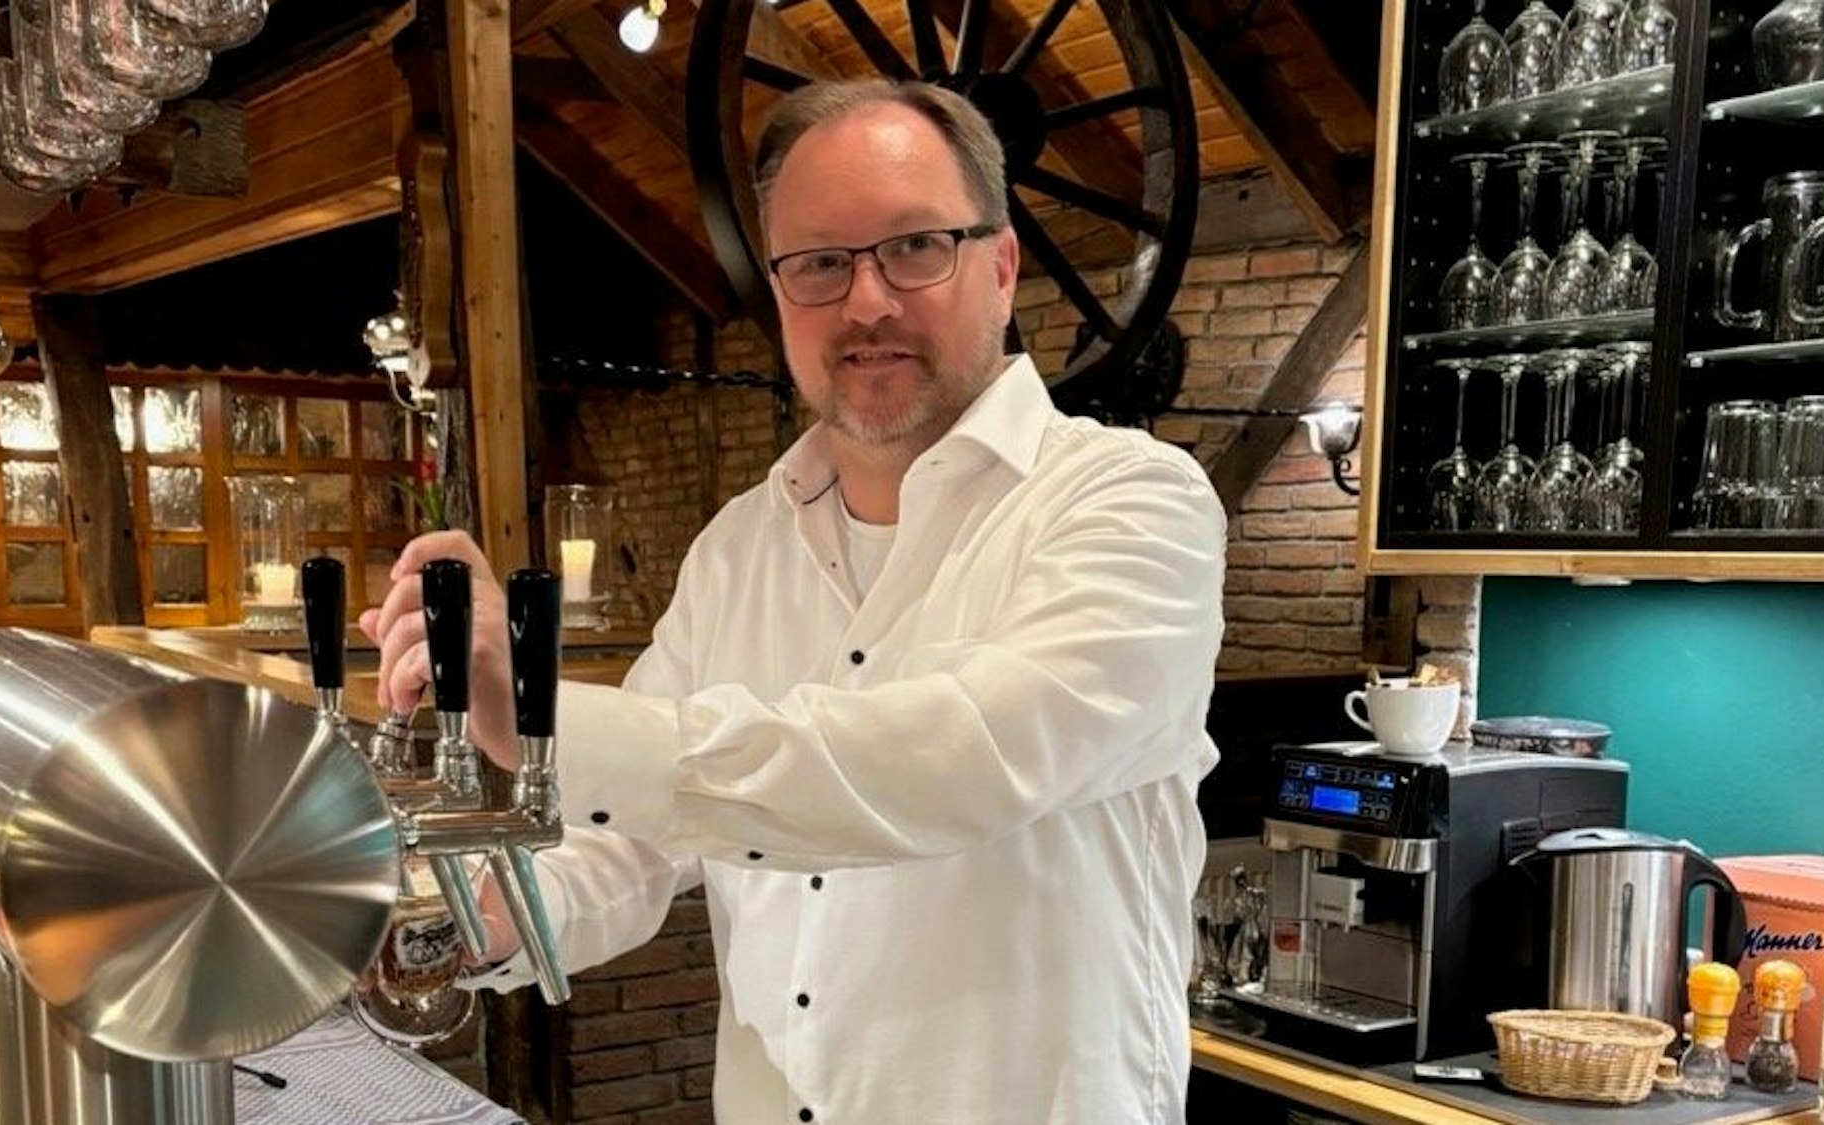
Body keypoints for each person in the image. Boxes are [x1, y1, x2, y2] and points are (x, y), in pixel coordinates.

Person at [363, 78, 1226, 1124]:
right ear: (779, 297)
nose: (866, 302)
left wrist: (544, 711)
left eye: (916, 247)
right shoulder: (739, 545)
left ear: (999, 267)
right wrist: (445, 921)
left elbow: (954, 765)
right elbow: (633, 839)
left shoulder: (1131, 501)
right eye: (819, 263)